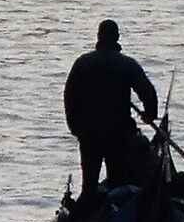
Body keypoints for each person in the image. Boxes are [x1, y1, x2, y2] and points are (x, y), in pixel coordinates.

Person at [65, 18, 158, 202]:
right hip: (117, 133)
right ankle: (116, 217)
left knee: (89, 184)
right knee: (117, 183)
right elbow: (148, 92)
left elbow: (69, 96)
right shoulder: (127, 64)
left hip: (89, 133)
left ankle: (87, 210)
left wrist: (74, 125)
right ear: (117, 38)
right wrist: (149, 115)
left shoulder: (82, 63)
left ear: (98, 37)